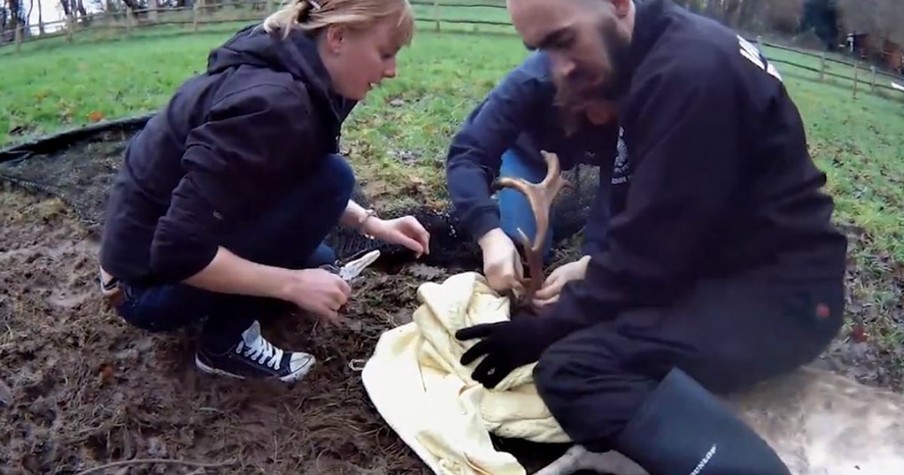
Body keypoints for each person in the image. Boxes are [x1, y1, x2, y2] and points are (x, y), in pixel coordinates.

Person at [454, 1, 848, 474]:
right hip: (727, 269)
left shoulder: (687, 76)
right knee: (590, 331)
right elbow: (663, 226)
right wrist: (590, 274)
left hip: (780, 300)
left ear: (619, 4)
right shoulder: (658, 57)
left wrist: (541, 332)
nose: (558, 68)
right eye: (541, 49)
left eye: (563, 41)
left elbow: (651, 260)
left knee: (573, 370)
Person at [98, 0, 430, 384]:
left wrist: (371, 224)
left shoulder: (304, 68)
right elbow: (178, 250)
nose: (392, 71)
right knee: (331, 186)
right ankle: (223, 346)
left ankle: (277, 282)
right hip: (142, 286)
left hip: (170, 245)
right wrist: (292, 284)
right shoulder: (273, 103)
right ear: (337, 37)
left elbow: (296, 168)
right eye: (385, 53)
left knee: (320, 255)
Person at [445, 50, 621, 303]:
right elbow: (467, 154)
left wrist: (593, 260)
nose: (601, 116)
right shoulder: (530, 81)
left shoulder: (642, 87)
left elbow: (624, 179)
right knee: (521, 250)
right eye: (591, 105)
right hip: (529, 152)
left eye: (611, 104)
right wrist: (489, 234)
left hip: (608, 158)